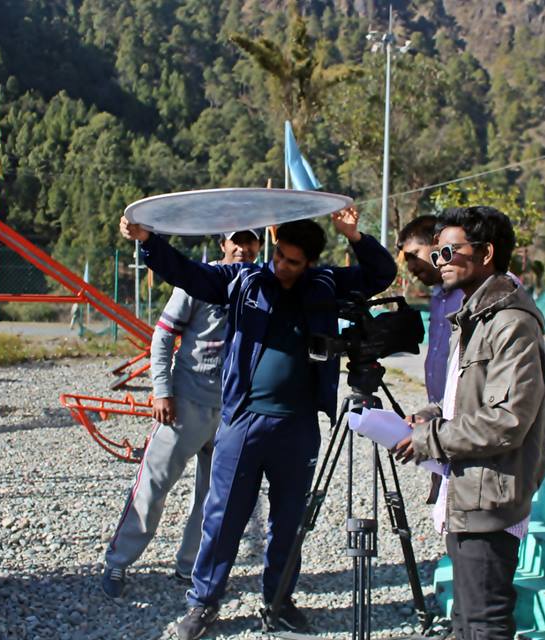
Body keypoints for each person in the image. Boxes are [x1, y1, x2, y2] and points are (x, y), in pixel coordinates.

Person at [119, 208, 396, 639]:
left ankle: (278, 602)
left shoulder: (325, 283)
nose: (281, 265)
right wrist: (148, 242)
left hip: (298, 426)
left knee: (288, 523)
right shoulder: (244, 280)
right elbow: (188, 273)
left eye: (293, 261)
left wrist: (354, 235)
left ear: (309, 263)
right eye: (279, 255)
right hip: (243, 422)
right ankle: (203, 603)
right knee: (222, 518)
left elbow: (381, 274)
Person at [392, 206, 545, 640]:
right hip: (468, 489)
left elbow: (507, 420)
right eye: (436, 253)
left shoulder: (511, 322)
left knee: (484, 624)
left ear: (486, 253)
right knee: (465, 620)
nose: (439, 262)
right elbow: (469, 400)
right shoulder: (475, 315)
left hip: (489, 497)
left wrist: (430, 438)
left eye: (448, 252)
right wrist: (428, 416)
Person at [100, 229, 262, 599]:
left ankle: (189, 567)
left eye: (250, 241)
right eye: (236, 240)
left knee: (214, 496)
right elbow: (162, 337)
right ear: (223, 244)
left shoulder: (258, 284)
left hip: (233, 409)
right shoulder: (199, 281)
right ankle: (118, 561)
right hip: (187, 402)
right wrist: (162, 391)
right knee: (153, 485)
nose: (243, 248)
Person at [397, 215, 465, 405]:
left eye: (414, 255)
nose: (411, 267)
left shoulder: (470, 295)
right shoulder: (437, 296)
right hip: (439, 411)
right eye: (407, 260)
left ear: (437, 245)